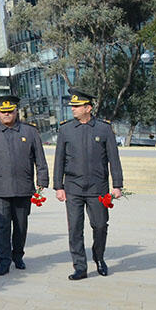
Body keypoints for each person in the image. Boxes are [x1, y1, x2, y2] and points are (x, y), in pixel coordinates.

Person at [53, 88, 124, 280]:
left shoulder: (104, 129)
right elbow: (59, 159)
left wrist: (117, 185)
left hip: (97, 188)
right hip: (73, 187)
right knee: (75, 228)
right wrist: (58, 186)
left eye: (77, 106)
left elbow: (113, 159)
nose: (73, 109)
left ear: (88, 108)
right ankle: (80, 267)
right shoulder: (65, 129)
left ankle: (99, 258)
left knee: (100, 225)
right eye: (72, 106)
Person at [0, 95, 49, 276]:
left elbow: (40, 158)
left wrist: (42, 180)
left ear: (16, 111)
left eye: (10, 111)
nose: (7, 114)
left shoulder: (30, 132)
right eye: (3, 112)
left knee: (21, 226)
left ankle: (18, 256)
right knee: (1, 226)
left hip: (23, 188)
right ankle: (4, 261)